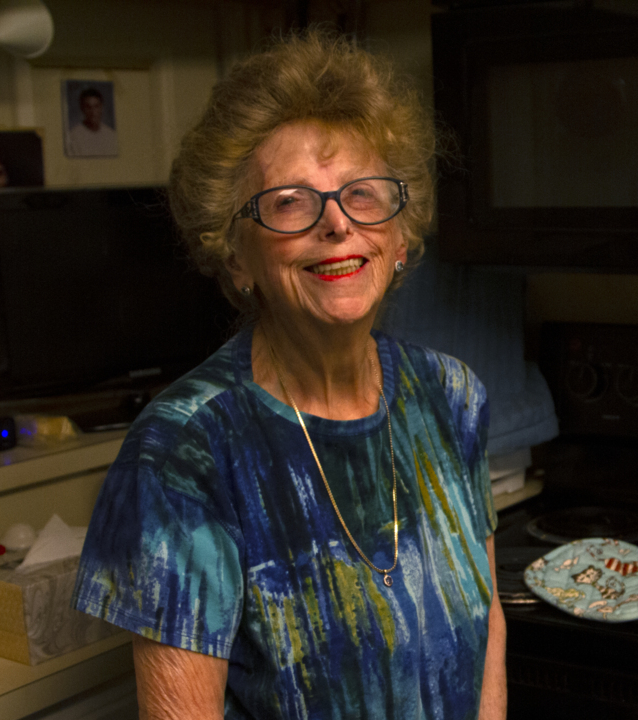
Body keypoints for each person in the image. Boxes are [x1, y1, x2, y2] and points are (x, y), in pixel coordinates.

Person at [72, 30, 506, 720]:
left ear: (399, 237)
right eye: (290, 203)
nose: (337, 225)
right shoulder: (183, 454)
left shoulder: (452, 396)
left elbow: (486, 631)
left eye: (363, 195)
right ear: (238, 256)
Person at [66, 87, 117, 156]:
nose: (93, 112)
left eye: (96, 106)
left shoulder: (111, 135)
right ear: (82, 109)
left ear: (102, 108)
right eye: (88, 107)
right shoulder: (73, 137)